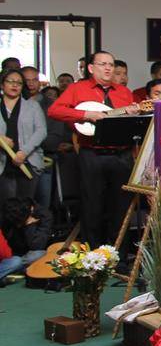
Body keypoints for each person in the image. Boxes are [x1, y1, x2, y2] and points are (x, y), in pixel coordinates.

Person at [48, 50, 140, 249]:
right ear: (91, 68)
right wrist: (85, 114)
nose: (108, 68)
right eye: (103, 64)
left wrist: (133, 112)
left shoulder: (124, 92)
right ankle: (91, 254)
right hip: (92, 154)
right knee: (92, 206)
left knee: (121, 207)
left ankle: (119, 255)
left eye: (111, 64)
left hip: (121, 155)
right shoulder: (77, 89)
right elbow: (54, 110)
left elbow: (131, 123)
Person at [0, 68, 46, 211]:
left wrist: (24, 152)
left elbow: (41, 131)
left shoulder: (32, 106)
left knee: (24, 208)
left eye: (19, 83)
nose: (15, 85)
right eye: (10, 82)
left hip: (27, 162)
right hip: (2, 164)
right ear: (2, 85)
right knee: (6, 209)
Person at [0, 198, 52, 284]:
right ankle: (13, 271)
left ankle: (10, 272)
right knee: (15, 261)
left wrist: (29, 226)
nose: (18, 226)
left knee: (40, 255)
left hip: (27, 255)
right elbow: (5, 252)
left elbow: (37, 246)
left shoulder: (43, 215)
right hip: (11, 255)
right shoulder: (9, 215)